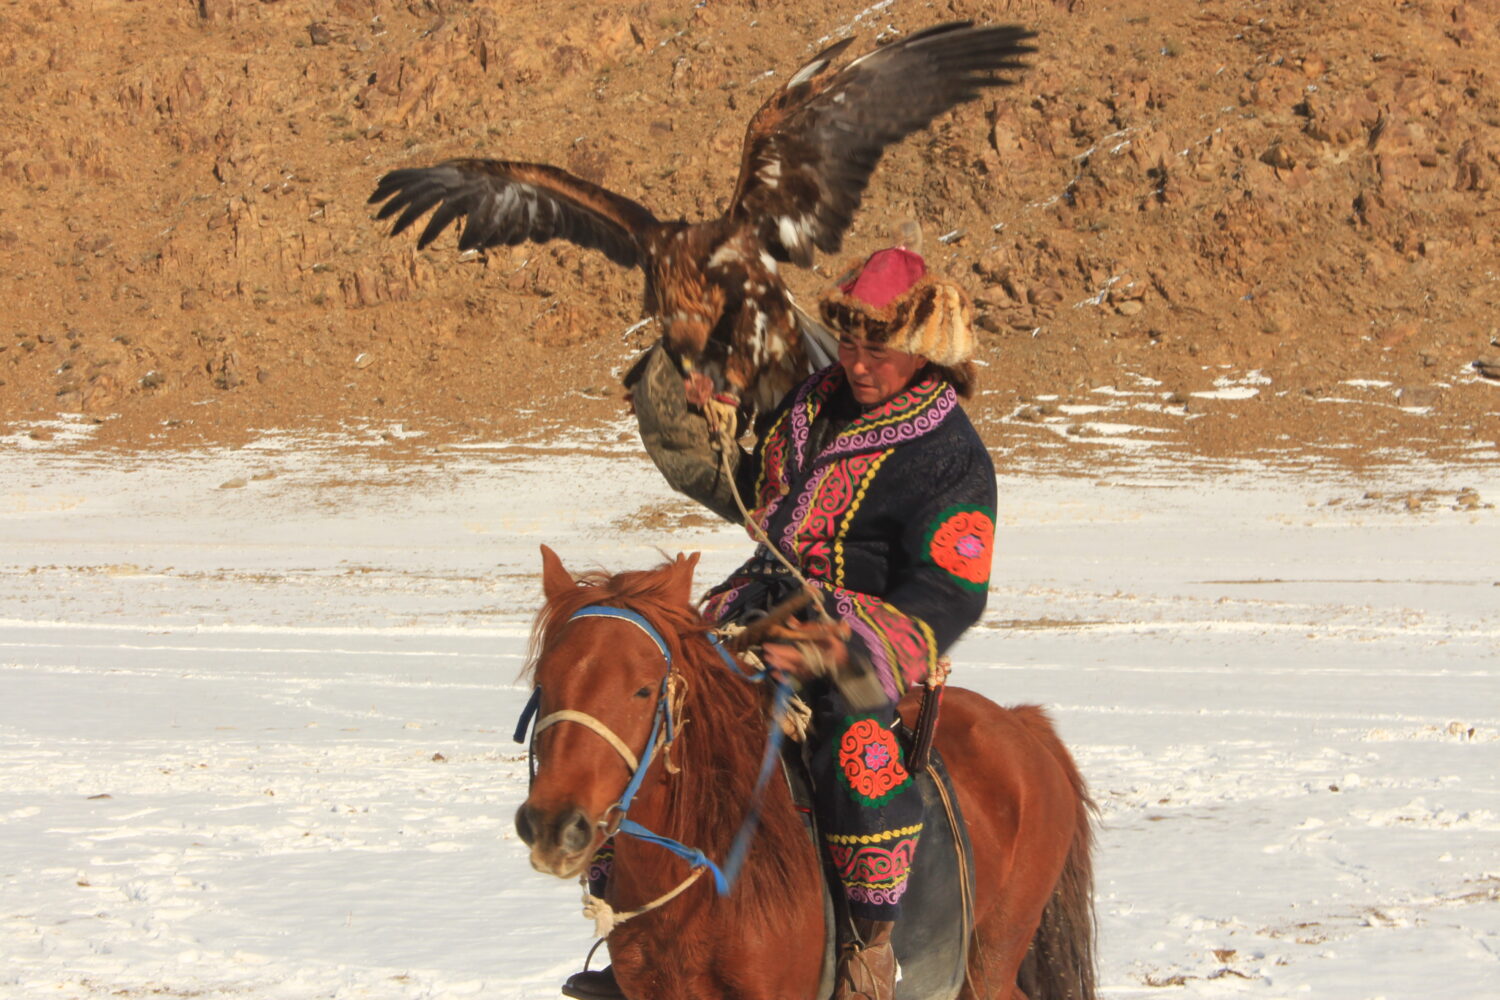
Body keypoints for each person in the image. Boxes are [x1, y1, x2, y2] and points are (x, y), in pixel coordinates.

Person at [565, 247, 996, 1000]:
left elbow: (952, 586)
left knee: (853, 747)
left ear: (922, 349)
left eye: (878, 347)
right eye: (850, 340)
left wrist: (850, 642)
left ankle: (868, 943)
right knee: (655, 705)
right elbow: (763, 487)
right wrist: (708, 409)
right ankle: (632, 921)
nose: (858, 362)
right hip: (760, 601)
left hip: (867, 632)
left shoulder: (951, 452)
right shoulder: (813, 401)